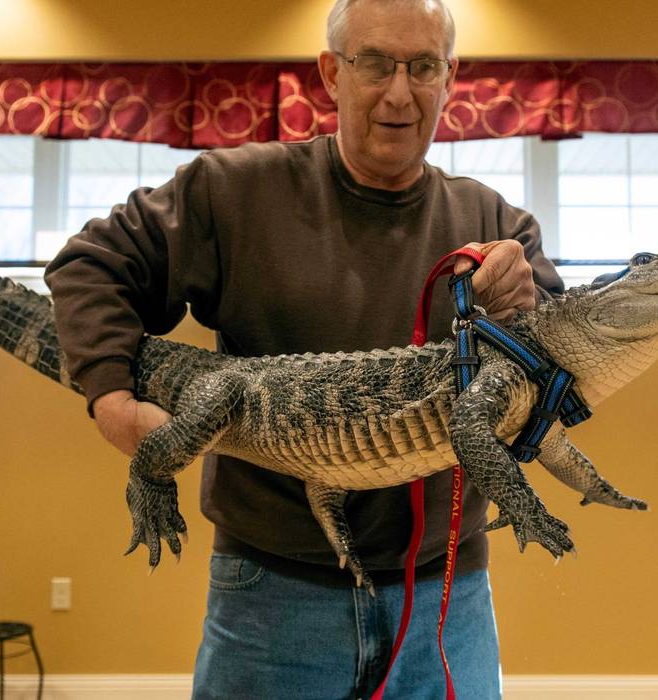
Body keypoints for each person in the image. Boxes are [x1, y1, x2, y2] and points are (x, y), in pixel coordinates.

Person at [44, 0, 564, 697]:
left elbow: (559, 369)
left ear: (449, 77)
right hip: (271, 592)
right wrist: (110, 400)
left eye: (421, 67)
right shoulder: (231, 190)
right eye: (375, 63)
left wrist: (528, 306)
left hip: (447, 595)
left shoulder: (497, 225)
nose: (399, 92)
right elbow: (91, 267)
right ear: (331, 72)